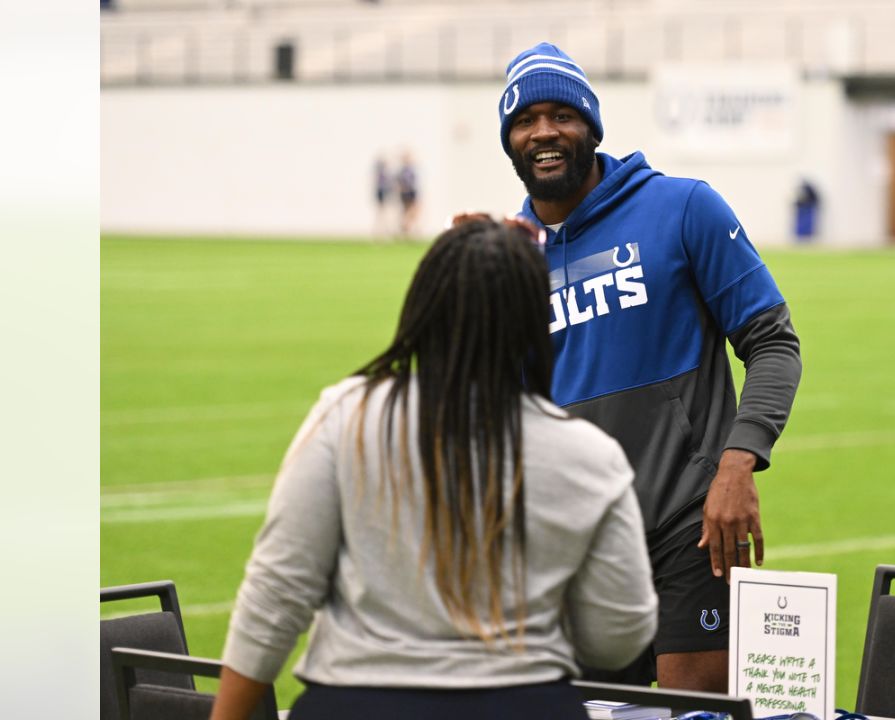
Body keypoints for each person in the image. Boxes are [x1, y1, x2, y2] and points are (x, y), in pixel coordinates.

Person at [209, 218, 658, 720]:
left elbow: (276, 595)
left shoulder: (348, 415)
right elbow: (618, 637)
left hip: (354, 702)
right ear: (535, 320)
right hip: (524, 702)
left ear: (424, 308)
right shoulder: (588, 454)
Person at [495, 42, 802, 692]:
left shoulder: (683, 208)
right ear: (510, 140)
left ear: (590, 126)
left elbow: (772, 342)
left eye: (562, 115)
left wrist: (737, 464)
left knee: (693, 709)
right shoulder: (508, 257)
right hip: (572, 537)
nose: (544, 132)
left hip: (689, 521)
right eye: (526, 120)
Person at [396, 150, 421, 238]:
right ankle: (405, 225)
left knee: (410, 211)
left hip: (408, 192)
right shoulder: (405, 171)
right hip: (409, 193)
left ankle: (408, 228)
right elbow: (403, 183)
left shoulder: (405, 170)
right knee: (412, 210)